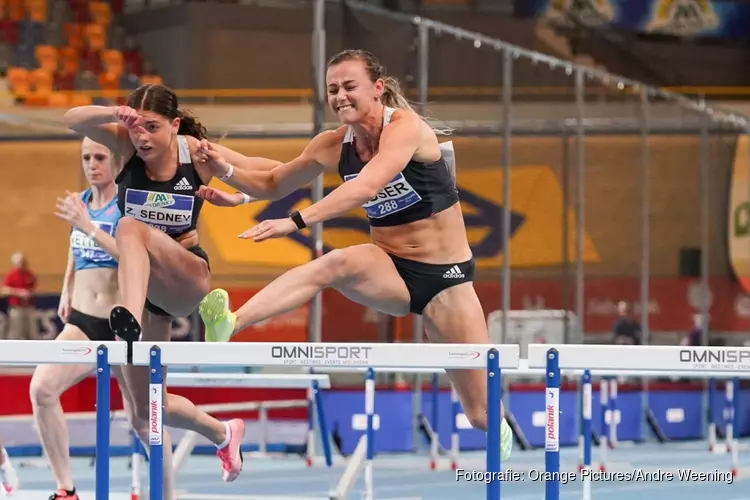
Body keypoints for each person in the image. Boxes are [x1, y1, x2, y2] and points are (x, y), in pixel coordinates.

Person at [194, 49, 513, 460]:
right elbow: (272, 180)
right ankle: (231, 323)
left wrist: (295, 222)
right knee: (334, 263)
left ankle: (501, 431)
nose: (340, 96)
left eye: (349, 87)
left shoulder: (406, 129)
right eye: (332, 89)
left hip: (446, 278)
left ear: (378, 89)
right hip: (389, 267)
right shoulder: (332, 145)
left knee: (480, 414)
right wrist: (222, 165)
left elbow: (365, 186)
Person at [62, 84, 246, 483]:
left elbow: (264, 174)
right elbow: (72, 119)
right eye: (136, 127)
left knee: (130, 225)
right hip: (147, 292)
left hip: (188, 275)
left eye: (152, 127)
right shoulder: (125, 144)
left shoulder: (195, 153)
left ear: (175, 124)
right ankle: (223, 432)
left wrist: (236, 196)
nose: (142, 137)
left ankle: (127, 318)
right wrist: (115, 114)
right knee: (145, 411)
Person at [2, 251, 38, 340]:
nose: (22, 264)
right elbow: (4, 290)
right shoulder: (11, 275)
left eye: (23, 261)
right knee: (16, 333)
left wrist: (29, 293)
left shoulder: (29, 274)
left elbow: (33, 287)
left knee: (32, 331)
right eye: (20, 262)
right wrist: (18, 293)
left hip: (29, 307)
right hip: (16, 308)